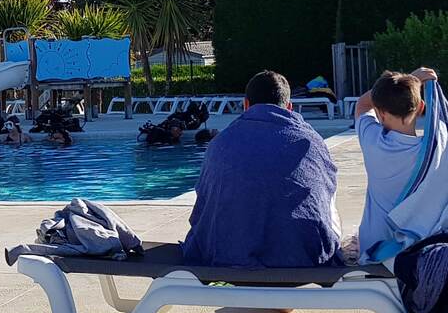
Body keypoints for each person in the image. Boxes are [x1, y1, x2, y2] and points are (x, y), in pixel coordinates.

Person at [181, 70, 342, 268]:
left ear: (246, 105)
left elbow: (203, 205)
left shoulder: (220, 143)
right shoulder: (313, 142)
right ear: (289, 107)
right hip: (306, 258)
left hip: (227, 259)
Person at [354, 67, 439, 264]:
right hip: (419, 250)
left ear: (380, 113)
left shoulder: (372, 140)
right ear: (420, 108)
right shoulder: (435, 151)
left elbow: (362, 104)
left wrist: (412, 78)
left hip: (374, 249)